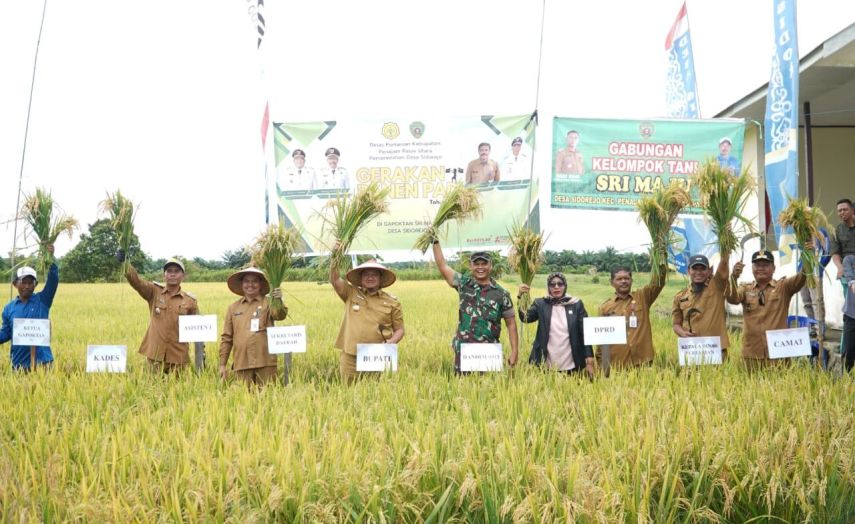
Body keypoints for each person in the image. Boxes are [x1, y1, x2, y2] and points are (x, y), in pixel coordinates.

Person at [431, 241, 519, 373]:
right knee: (463, 389)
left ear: (491, 266)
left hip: (489, 352)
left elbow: (511, 324)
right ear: (471, 266)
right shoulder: (463, 284)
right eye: (476, 264)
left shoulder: (501, 294)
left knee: (491, 388)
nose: (480, 267)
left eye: (484, 264)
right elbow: (443, 266)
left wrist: (514, 351)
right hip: (464, 350)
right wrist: (435, 242)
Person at [727, 250, 808, 368]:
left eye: (765, 265)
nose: (761, 268)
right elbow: (733, 299)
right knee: (750, 386)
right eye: (757, 265)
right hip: (752, 354)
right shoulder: (745, 288)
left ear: (774, 268)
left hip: (778, 354)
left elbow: (802, 277)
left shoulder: (783, 287)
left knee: (780, 385)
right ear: (752, 268)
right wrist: (734, 278)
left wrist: (808, 255)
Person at [330, 257, 404, 383]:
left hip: (377, 356)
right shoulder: (350, 293)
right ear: (361, 278)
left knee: (376, 395)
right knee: (348, 395)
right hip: (350, 356)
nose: (370, 277)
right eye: (366, 274)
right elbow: (335, 279)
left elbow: (400, 330)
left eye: (374, 274)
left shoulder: (392, 302)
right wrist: (336, 254)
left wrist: (392, 341)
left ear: (380, 279)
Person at [123, 256, 200, 373]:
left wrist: (200, 360)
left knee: (178, 389)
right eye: (169, 271)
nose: (172, 274)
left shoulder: (190, 301)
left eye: (176, 271)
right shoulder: (154, 292)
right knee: (151, 387)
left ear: (183, 275)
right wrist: (125, 262)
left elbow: (198, 331)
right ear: (164, 274)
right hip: (155, 356)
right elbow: (136, 281)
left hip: (178, 357)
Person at [218, 267, 287, 387]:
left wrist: (279, 300)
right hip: (241, 363)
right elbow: (227, 338)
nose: (250, 285)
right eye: (246, 281)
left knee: (268, 398)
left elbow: (280, 315)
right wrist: (222, 364)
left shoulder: (269, 303)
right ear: (241, 284)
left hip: (265, 362)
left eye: (255, 281)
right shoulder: (233, 308)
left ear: (261, 284)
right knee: (243, 400)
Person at [517, 273, 594, 378]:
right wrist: (520, 296)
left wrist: (589, 357)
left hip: (571, 361)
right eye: (552, 284)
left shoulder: (576, 304)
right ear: (548, 287)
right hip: (547, 362)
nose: (556, 287)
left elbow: (585, 331)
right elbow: (525, 318)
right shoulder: (541, 304)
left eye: (560, 284)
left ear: (565, 286)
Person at [598, 261, 667, 370]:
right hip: (618, 364)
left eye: (626, 278)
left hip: (643, 362)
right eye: (619, 279)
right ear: (611, 282)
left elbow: (658, 281)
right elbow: (601, 338)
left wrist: (661, 256)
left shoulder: (643, 297)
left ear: (631, 281)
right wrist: (600, 364)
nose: (623, 281)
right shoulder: (605, 307)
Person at [0, 244, 58, 371]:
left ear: (35, 284)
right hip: (19, 364)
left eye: (30, 282)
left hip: (43, 363)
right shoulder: (9, 309)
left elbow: (53, 281)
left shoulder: (43, 300)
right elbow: (6, 333)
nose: (27, 286)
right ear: (15, 284)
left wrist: (51, 259)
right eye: (23, 282)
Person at [671, 253, 732, 360]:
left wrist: (725, 249)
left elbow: (723, 265)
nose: (698, 272)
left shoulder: (717, 286)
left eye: (702, 269)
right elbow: (676, 324)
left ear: (709, 271)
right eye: (695, 268)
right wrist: (682, 333)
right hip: (691, 351)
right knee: (691, 377)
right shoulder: (680, 297)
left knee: (718, 376)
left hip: (716, 351)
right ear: (688, 271)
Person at [830, 198, 855, 281]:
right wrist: (840, 267)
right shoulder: (836, 231)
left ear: (852, 210)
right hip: (847, 269)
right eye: (839, 211)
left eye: (845, 209)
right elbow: (835, 253)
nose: (842, 212)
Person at [841, 255, 855, 373]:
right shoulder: (850, 260)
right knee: (849, 351)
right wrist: (852, 281)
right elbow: (846, 262)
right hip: (851, 316)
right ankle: (848, 382)